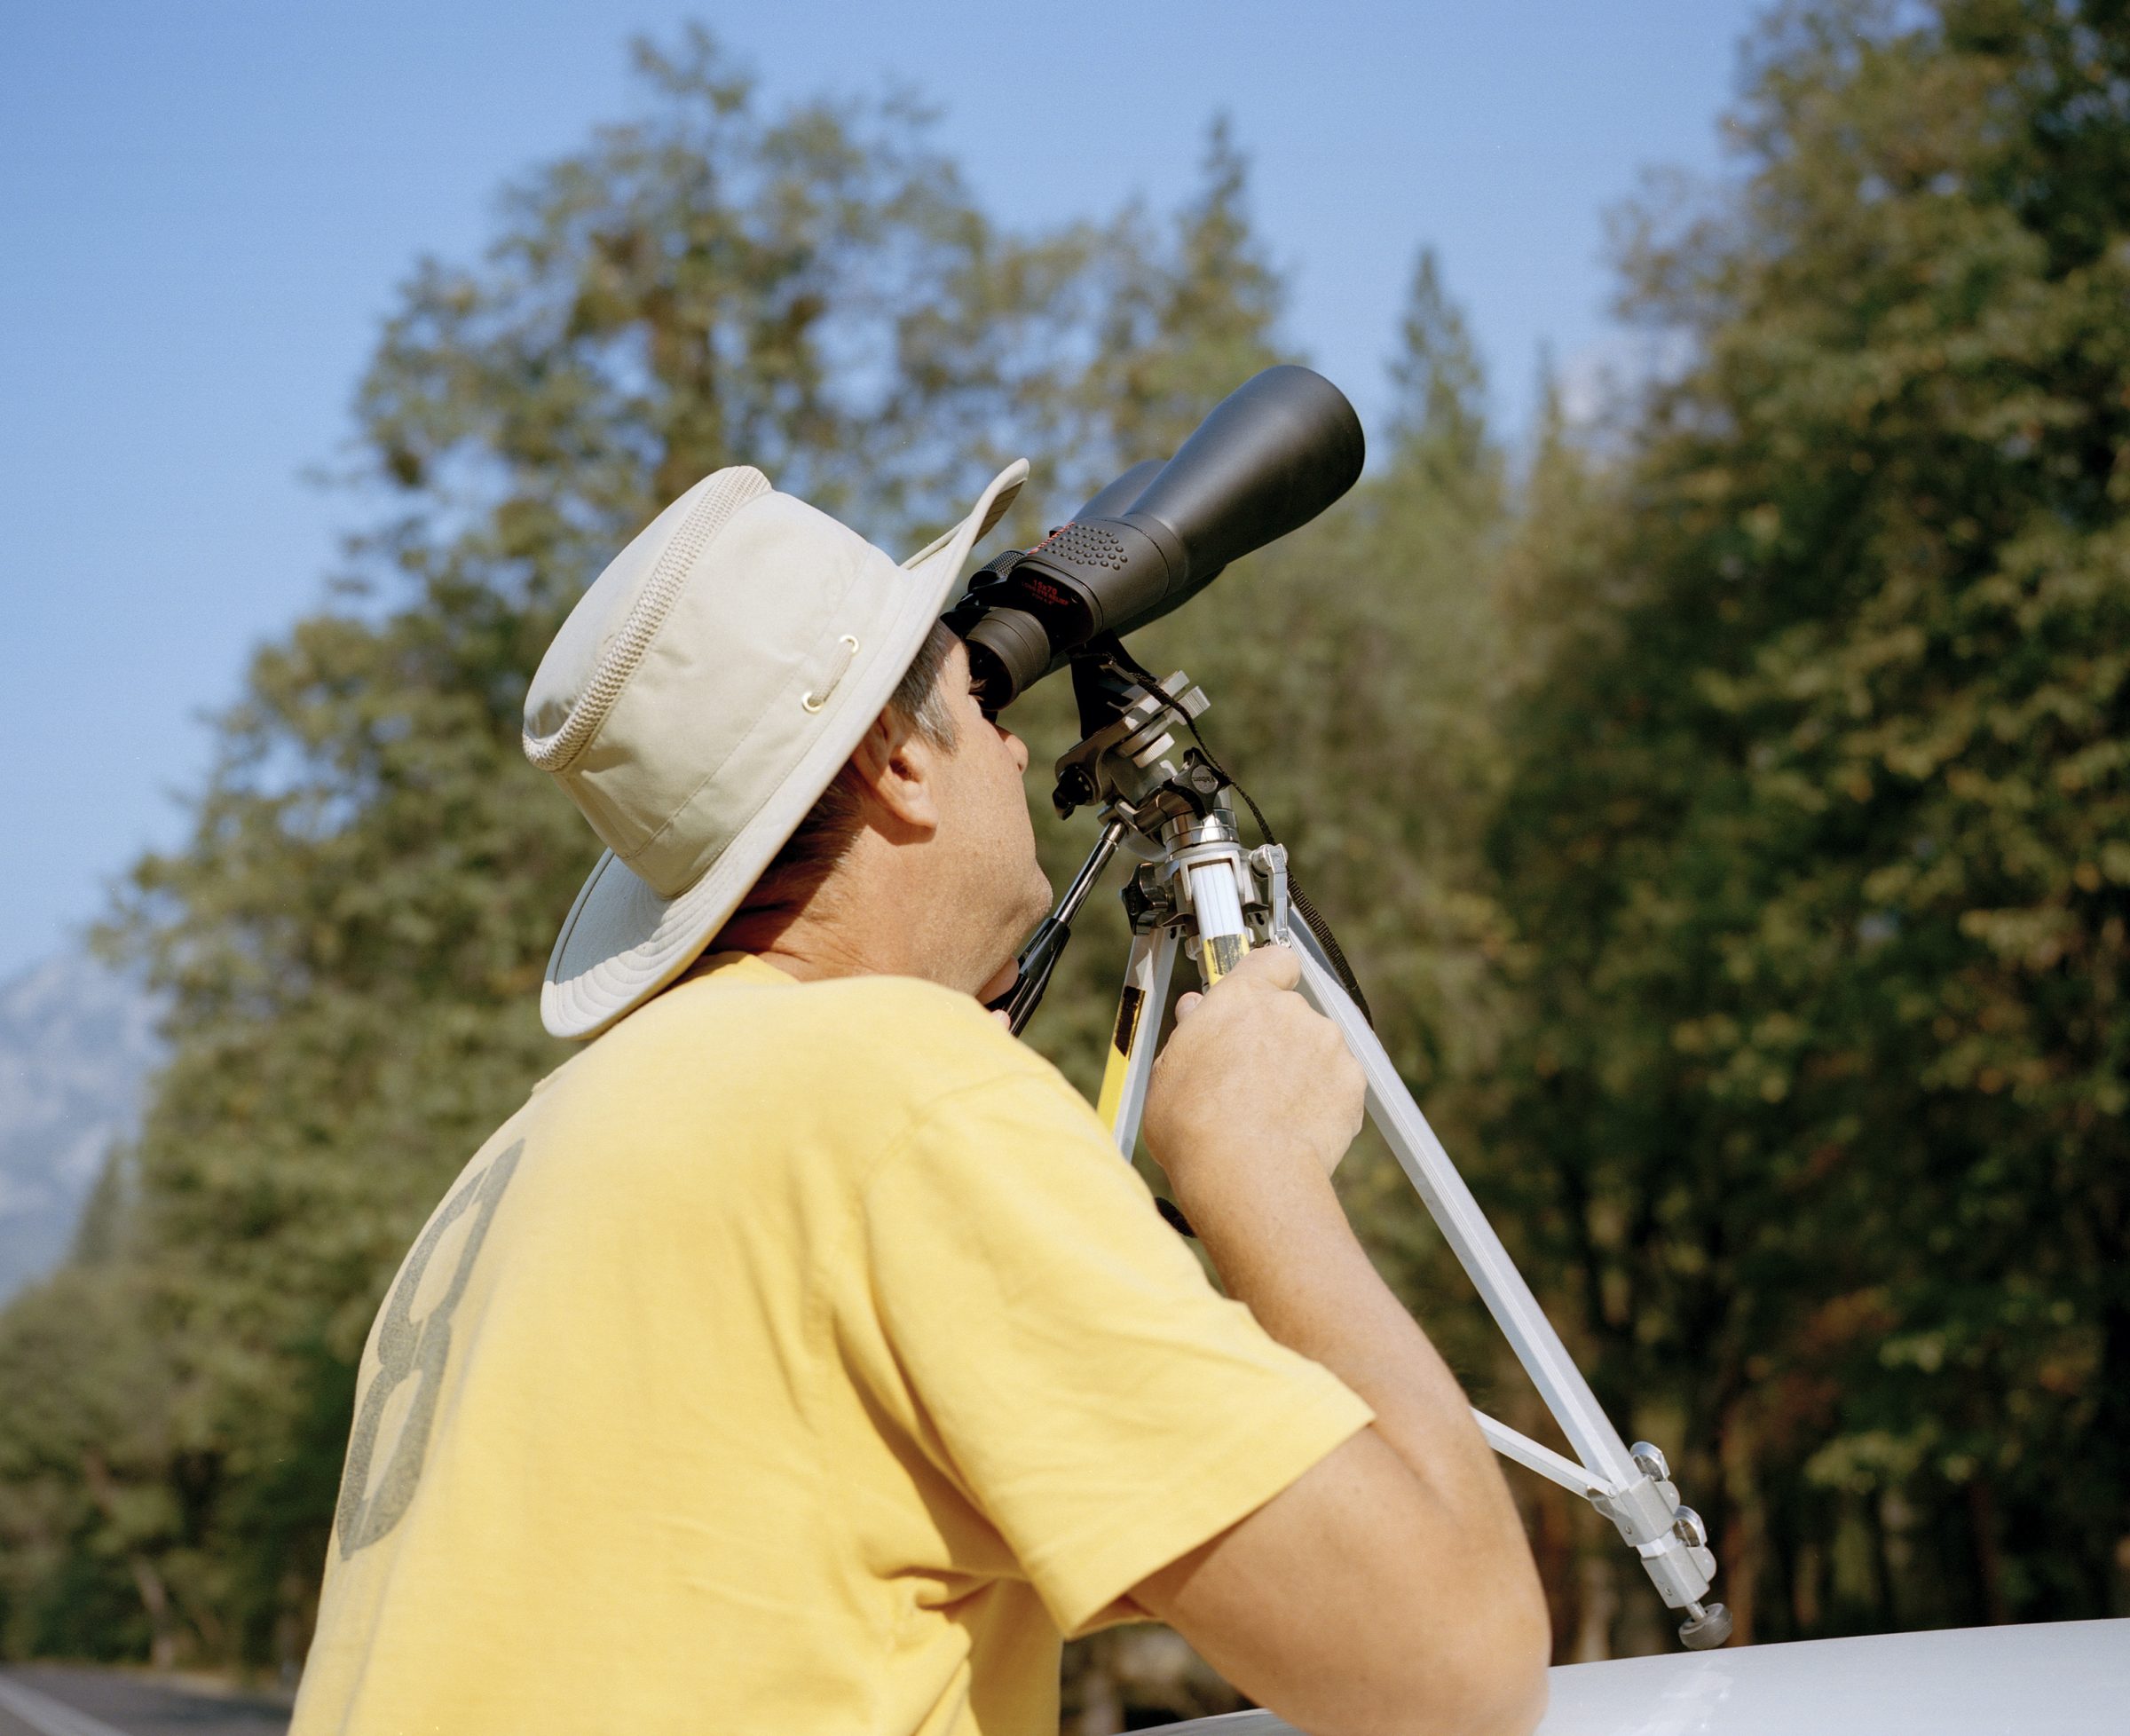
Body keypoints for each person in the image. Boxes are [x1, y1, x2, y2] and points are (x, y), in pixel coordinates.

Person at [291, 461, 1550, 1736]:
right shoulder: (887, 1091)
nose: (1015, 747)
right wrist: (1255, 1175)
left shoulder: (530, 1155)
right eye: (975, 692)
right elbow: (1454, 1669)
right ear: (895, 763)